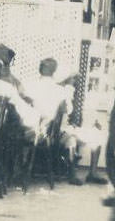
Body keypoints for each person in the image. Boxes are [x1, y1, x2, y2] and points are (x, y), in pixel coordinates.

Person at [22, 57, 107, 186]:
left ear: (40, 69)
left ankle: (76, 172)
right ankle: (87, 173)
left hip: (32, 130)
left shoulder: (29, 85)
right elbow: (67, 110)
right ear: (54, 72)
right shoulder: (60, 91)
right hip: (53, 134)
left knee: (70, 134)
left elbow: (26, 103)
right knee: (88, 135)